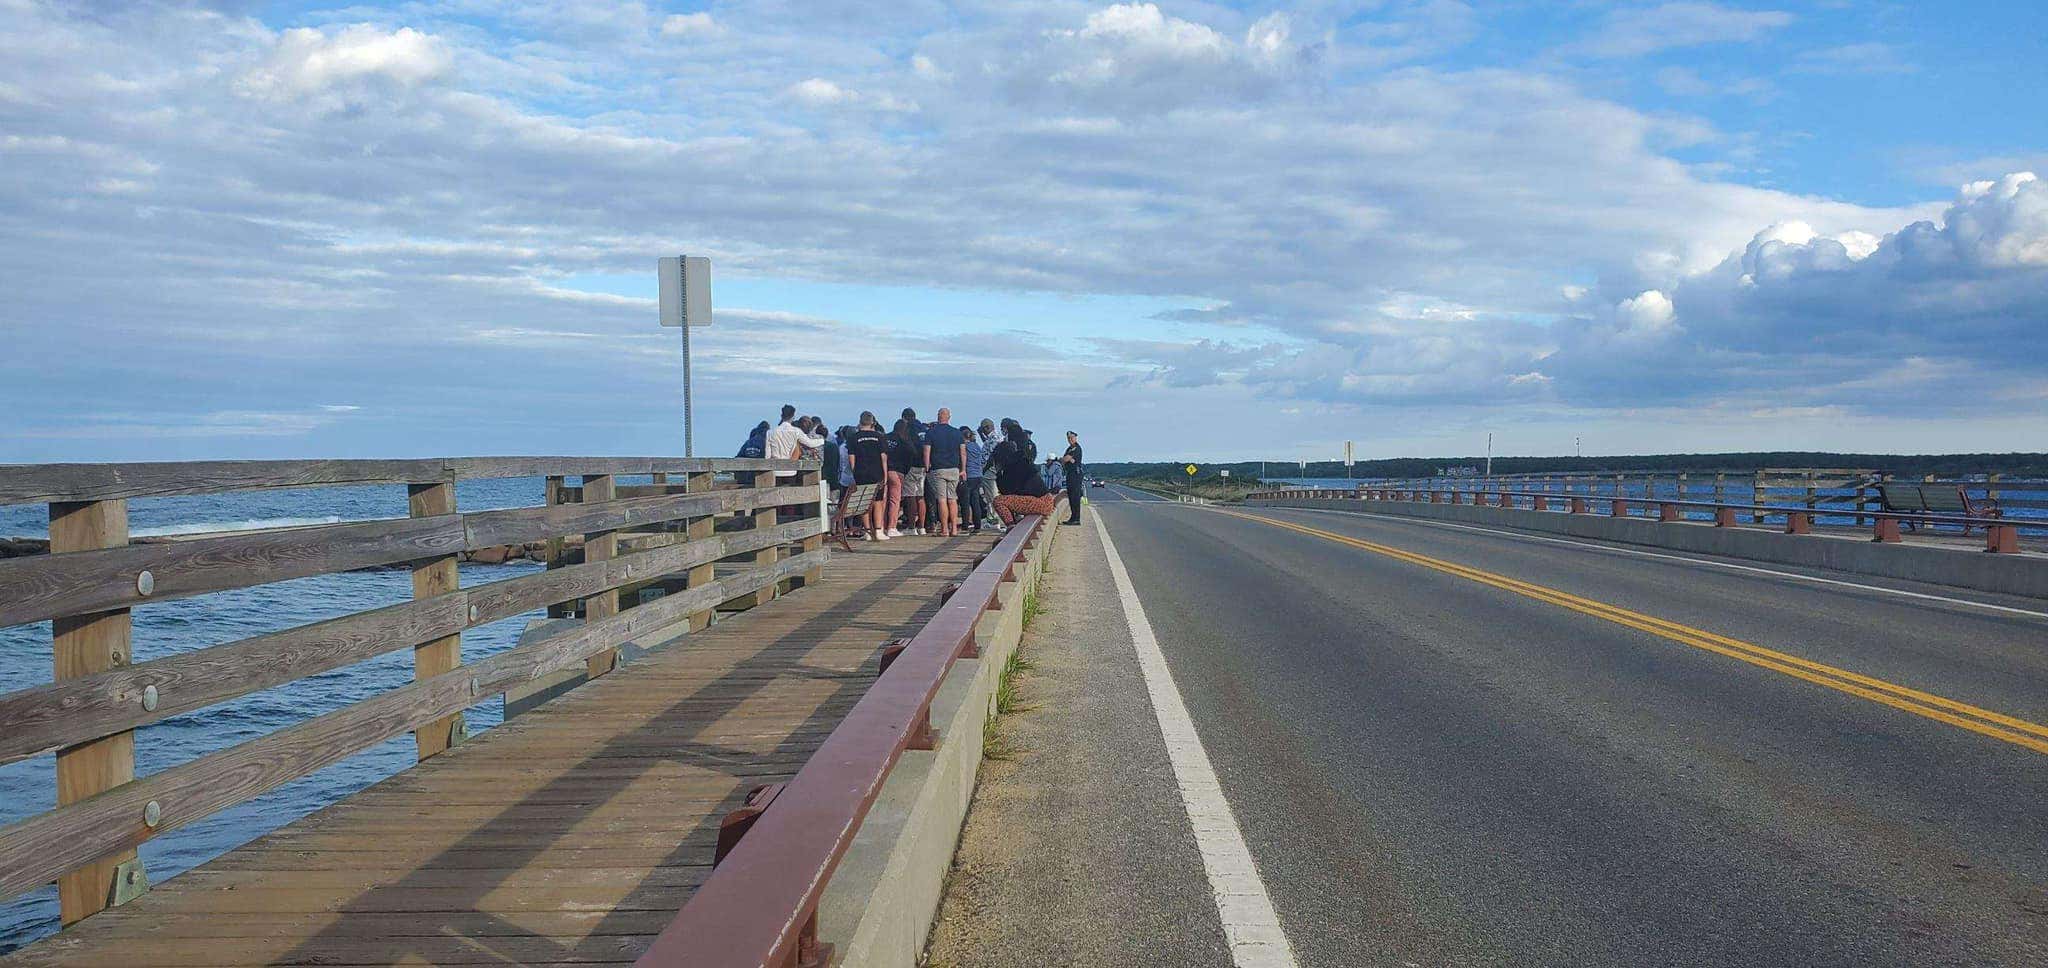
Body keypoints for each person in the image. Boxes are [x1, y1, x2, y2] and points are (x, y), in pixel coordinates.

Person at [990, 419, 1057, 525]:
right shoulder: (1022, 462)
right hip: (1045, 500)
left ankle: (1011, 526)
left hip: (1040, 503)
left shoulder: (1011, 470)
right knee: (1010, 500)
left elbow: (1005, 491)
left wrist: (999, 474)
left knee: (998, 501)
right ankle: (1013, 524)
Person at [847, 413, 891, 541]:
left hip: (861, 473)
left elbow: (851, 459)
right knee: (878, 501)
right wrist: (885, 474)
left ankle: (867, 532)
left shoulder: (853, 438)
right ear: (872, 422)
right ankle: (878, 530)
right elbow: (884, 458)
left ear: (860, 422)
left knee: (864, 502)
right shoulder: (879, 437)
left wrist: (855, 472)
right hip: (876, 472)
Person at [924, 408, 967, 537]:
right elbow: (963, 452)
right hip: (954, 469)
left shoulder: (931, 432)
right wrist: (963, 469)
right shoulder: (957, 433)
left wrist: (927, 468)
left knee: (942, 500)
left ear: (938, 417)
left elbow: (927, 451)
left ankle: (944, 529)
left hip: (938, 469)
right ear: (949, 417)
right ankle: (953, 528)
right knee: (952, 499)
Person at [765, 404, 824, 478]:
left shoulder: (770, 432)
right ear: (793, 417)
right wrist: (822, 441)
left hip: (775, 471)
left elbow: (767, 456)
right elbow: (810, 444)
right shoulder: (796, 431)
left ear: (781, 416)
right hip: (791, 470)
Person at [890, 418, 924, 536]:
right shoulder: (921, 431)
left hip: (903, 469)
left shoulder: (888, 437)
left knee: (908, 497)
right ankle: (921, 526)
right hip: (920, 468)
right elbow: (914, 451)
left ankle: (910, 527)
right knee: (919, 496)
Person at [976, 419, 1005, 533]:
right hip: (991, 470)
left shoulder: (994, 438)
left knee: (991, 496)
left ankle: (993, 520)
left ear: (987, 428)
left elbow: (992, 455)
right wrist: (981, 434)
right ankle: (992, 518)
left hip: (990, 471)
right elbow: (988, 446)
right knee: (991, 495)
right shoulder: (994, 437)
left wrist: (985, 469)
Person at [961, 424, 987, 532]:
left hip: (969, 475)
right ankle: (977, 525)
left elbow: (962, 459)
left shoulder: (964, 447)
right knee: (975, 500)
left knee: (965, 502)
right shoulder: (976, 446)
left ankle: (965, 525)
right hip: (978, 475)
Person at [1059, 430, 1085, 525]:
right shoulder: (1069, 448)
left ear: (1075, 437)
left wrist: (1065, 459)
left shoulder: (1076, 448)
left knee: (1075, 496)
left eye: (1072, 437)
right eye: (1068, 438)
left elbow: (1065, 459)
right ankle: (1073, 518)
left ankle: (1076, 519)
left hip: (1075, 474)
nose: (1070, 439)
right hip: (1070, 473)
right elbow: (1064, 460)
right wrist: (1065, 460)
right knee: (1071, 496)